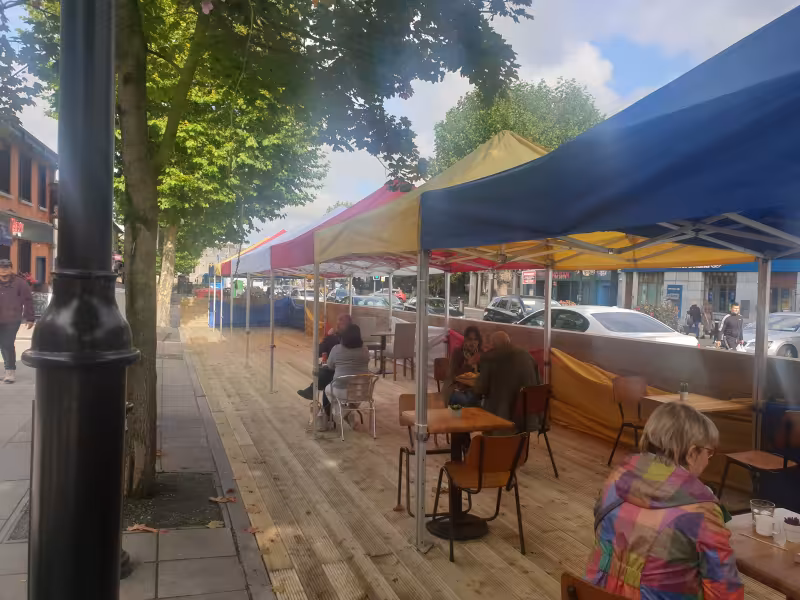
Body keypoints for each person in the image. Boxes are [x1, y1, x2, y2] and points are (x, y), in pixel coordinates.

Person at [586, 402, 743, 600]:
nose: (709, 459)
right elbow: (725, 592)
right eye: (709, 452)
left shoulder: (615, 480)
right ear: (692, 453)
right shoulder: (702, 511)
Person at [473, 331, 540, 428]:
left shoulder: (490, 359)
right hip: (528, 415)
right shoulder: (527, 356)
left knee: (469, 401)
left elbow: (481, 389)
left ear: (493, 345)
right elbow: (537, 382)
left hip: (501, 415)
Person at [297, 312, 352, 401]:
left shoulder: (333, 341)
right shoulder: (362, 347)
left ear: (338, 326)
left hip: (338, 378)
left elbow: (318, 352)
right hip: (358, 382)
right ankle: (312, 390)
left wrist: (327, 336)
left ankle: (314, 392)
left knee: (324, 371)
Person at [324, 324, 371, 423]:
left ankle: (340, 412)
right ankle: (349, 412)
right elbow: (367, 361)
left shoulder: (336, 349)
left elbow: (330, 366)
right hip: (361, 391)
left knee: (327, 389)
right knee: (356, 396)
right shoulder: (365, 349)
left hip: (340, 389)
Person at [0, 259, 34, 384]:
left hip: (12, 319)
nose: (3, 269)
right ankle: (7, 369)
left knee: (7, 343)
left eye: (6, 267)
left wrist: (30, 318)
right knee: (2, 345)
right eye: (1, 267)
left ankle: (10, 371)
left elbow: (28, 300)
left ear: (11, 269)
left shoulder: (20, 283)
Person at [443, 326, 483, 407]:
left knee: (483, 401)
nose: (473, 343)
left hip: (474, 389)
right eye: (470, 339)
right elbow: (454, 375)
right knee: (466, 400)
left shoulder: (480, 354)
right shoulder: (458, 352)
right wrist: (468, 364)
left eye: (475, 339)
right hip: (456, 388)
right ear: (465, 340)